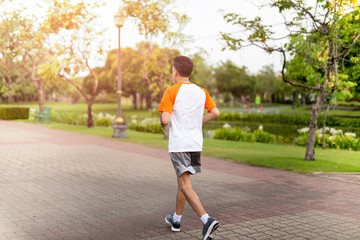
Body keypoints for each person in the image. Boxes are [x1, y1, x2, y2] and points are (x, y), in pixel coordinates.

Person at [159, 56, 220, 240]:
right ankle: (176, 219)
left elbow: (165, 120)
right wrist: (197, 122)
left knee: (185, 184)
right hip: (195, 144)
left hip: (179, 144)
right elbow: (215, 112)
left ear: (175, 72)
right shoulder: (202, 91)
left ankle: (206, 220)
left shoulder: (171, 91)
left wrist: (163, 121)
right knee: (183, 181)